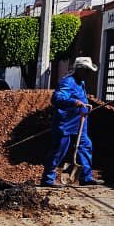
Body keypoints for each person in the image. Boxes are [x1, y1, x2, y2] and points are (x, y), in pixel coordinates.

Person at [40, 57, 98, 186]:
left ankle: (86, 177)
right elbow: (57, 98)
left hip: (80, 122)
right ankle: (48, 179)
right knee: (59, 149)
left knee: (85, 145)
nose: (89, 74)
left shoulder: (81, 82)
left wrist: (85, 105)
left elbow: (81, 98)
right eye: (87, 71)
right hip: (65, 122)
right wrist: (74, 102)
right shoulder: (68, 82)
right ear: (80, 70)